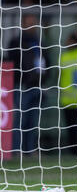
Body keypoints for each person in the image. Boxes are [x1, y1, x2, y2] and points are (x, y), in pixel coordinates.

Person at [8, 14, 49, 155]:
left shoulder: (40, 42)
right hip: (22, 86)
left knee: (33, 120)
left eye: (34, 23)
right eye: (29, 23)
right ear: (23, 24)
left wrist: (43, 78)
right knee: (20, 120)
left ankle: (30, 150)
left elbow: (47, 62)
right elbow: (13, 63)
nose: (32, 26)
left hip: (37, 86)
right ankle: (16, 150)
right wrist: (24, 78)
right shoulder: (16, 42)